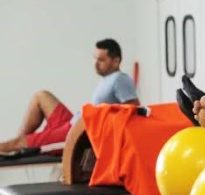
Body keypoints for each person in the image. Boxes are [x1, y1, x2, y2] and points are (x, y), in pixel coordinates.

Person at [0, 38, 139, 155]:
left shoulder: (120, 79)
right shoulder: (107, 79)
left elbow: (134, 111)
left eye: (101, 60)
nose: (96, 64)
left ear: (116, 61)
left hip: (72, 134)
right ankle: (19, 146)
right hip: (71, 122)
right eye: (95, 59)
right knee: (41, 96)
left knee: (19, 143)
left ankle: (18, 146)